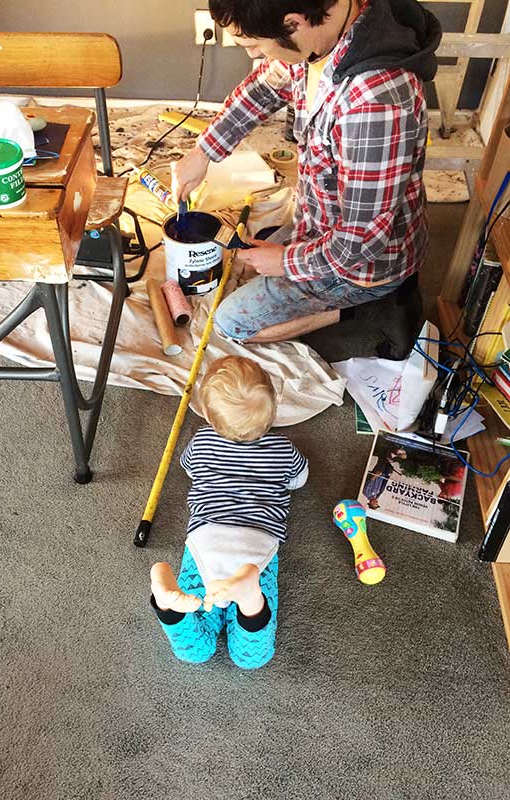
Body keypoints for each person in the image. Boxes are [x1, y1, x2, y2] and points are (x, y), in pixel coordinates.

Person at [172, 0, 441, 345]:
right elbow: (264, 87)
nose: (253, 55)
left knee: (230, 324)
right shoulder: (325, 35)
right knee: (249, 255)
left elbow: (358, 244)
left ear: (294, 23)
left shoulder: (374, 104)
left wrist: (286, 261)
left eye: (253, 44)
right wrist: (203, 152)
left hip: (364, 267)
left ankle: (373, 311)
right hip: (322, 224)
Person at [150, 355, 308, 669]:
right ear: (273, 411)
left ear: (208, 414)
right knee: (251, 658)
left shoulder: (201, 441)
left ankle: (168, 606)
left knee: (195, 650)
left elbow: (188, 467)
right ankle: (249, 599)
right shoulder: (284, 450)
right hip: (257, 547)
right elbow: (299, 479)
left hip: (205, 542)